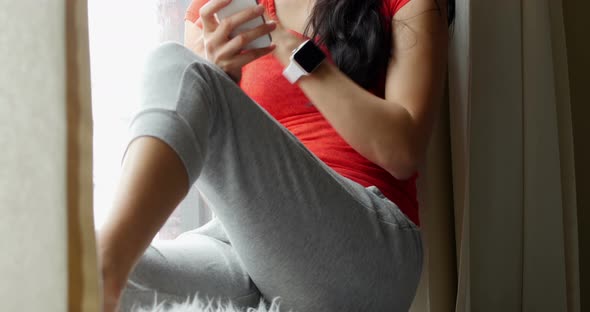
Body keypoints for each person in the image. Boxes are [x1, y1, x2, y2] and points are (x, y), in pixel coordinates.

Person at [98, 0, 455, 310]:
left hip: (370, 244)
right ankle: (104, 266)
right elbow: (217, 178)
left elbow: (402, 150)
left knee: (177, 66)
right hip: (254, 249)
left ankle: (107, 261)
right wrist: (223, 83)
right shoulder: (217, 13)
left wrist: (294, 52)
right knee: (78, 275)